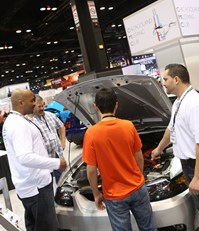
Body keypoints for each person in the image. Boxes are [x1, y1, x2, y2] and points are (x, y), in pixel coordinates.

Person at [151, 64, 199, 231]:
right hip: (189, 165)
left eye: (165, 79)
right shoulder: (179, 102)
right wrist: (159, 149)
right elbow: (170, 129)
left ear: (176, 79)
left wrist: (198, 177)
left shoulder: (195, 103)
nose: (163, 82)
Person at [82, 87, 157, 231]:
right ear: (116, 105)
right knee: (149, 228)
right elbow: (139, 156)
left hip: (114, 195)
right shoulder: (128, 126)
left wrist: (96, 194)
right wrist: (139, 176)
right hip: (137, 188)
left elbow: (91, 169)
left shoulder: (91, 133)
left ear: (95, 107)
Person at [3, 89, 67, 231]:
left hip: (27, 185)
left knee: (34, 226)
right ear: (20, 103)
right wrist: (56, 163)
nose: (34, 104)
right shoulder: (20, 125)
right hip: (37, 187)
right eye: (31, 100)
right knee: (48, 227)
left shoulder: (12, 122)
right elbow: (25, 157)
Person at [30, 95, 66, 183]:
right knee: (49, 183)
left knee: (62, 181)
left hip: (57, 155)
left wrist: (63, 142)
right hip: (44, 159)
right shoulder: (30, 121)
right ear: (33, 106)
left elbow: (61, 126)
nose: (42, 108)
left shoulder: (51, 115)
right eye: (39, 106)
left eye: (43, 105)